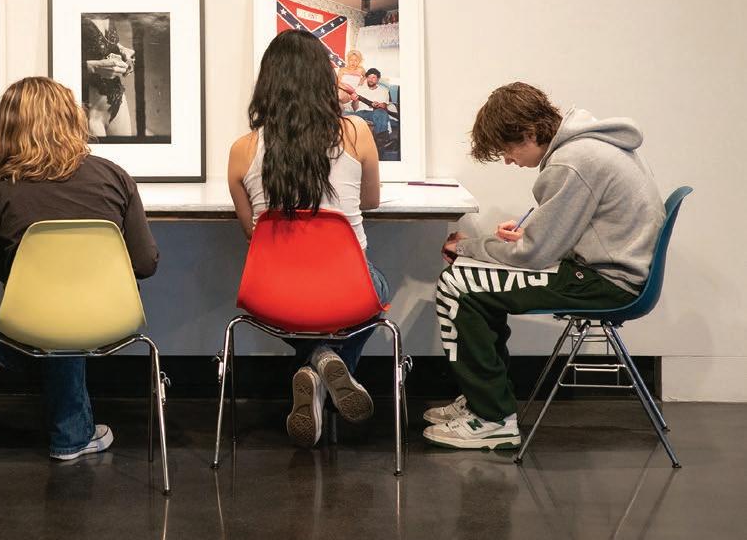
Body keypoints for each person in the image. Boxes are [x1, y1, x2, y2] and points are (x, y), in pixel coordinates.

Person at [424, 82, 664, 452]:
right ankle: (483, 398)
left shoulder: (573, 161)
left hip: (606, 282)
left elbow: (534, 255)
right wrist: (529, 235)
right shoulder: (593, 146)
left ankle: (491, 419)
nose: (507, 160)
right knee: (473, 283)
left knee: (457, 284)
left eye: (507, 149)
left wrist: (469, 247)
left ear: (530, 132)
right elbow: (566, 235)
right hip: (611, 269)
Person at [0, 77, 159, 462]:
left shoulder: (3, 188)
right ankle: (71, 434)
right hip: (109, 313)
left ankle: (15, 351)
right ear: (70, 117)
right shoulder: (113, 176)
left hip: (35, 314)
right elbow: (146, 264)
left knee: (55, 309)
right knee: (71, 306)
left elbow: (1, 267)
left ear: (10, 125)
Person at [227, 30, 387, 449]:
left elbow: (253, 234)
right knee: (379, 289)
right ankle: (324, 362)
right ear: (323, 80)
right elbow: (370, 201)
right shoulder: (356, 132)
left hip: (275, 294)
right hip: (347, 289)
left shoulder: (242, 149)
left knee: (285, 307)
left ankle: (314, 371)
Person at [81, 15, 135, 138]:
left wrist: (122, 50)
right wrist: (93, 67)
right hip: (90, 110)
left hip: (118, 99)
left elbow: (101, 42)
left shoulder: (106, 13)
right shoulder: (71, 13)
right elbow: (61, 63)